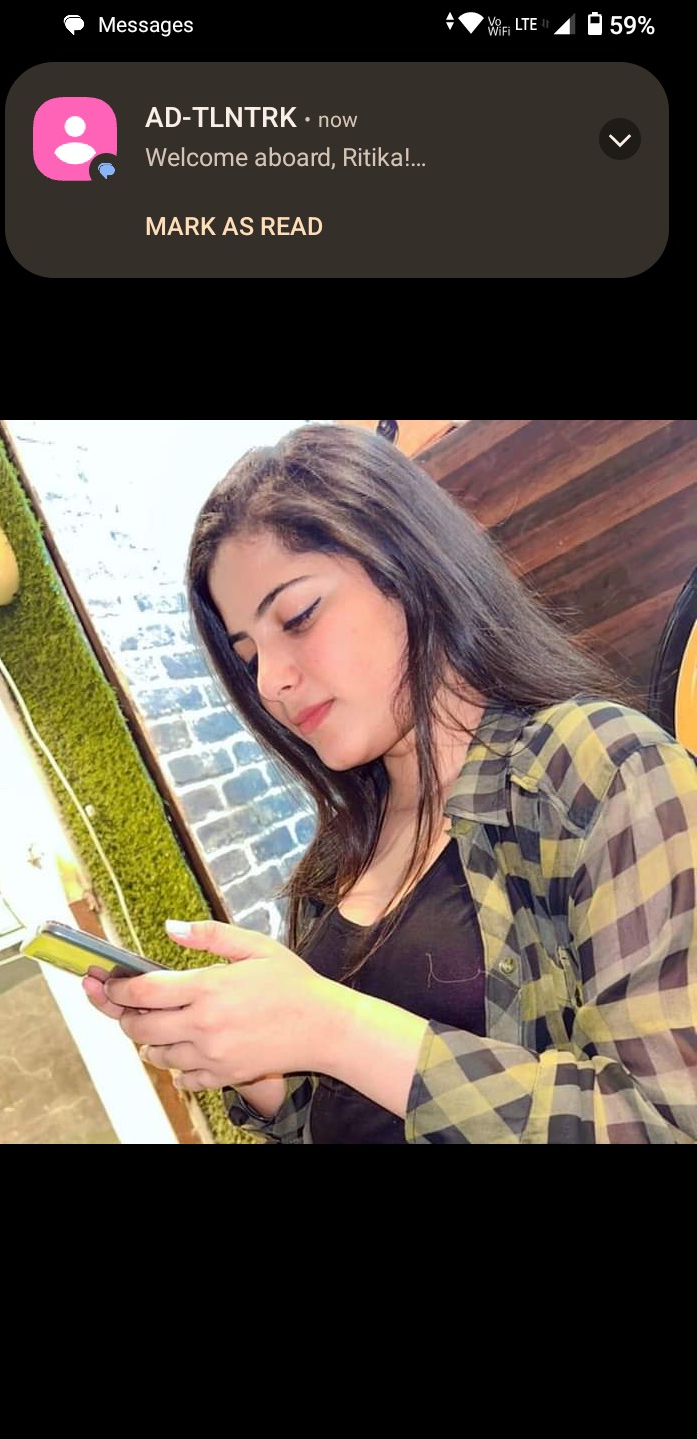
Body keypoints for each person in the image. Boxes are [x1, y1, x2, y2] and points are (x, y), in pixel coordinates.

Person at [179, 423, 697, 1142]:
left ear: (405, 564)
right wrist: (264, 1069)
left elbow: (664, 1120)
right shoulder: (340, 854)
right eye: (248, 656)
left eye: (297, 618)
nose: (271, 681)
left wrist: (336, 1028)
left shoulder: (593, 768)